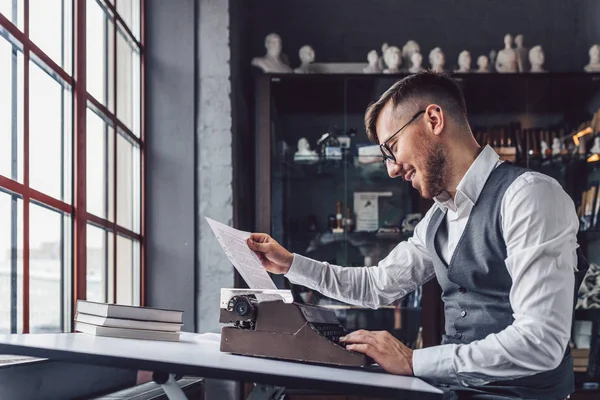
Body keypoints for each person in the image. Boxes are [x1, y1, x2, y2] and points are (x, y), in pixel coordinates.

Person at [247, 71, 586, 400]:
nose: (392, 168)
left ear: (434, 120)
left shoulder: (529, 196)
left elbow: (542, 342)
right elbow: (377, 285)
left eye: (392, 146)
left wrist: (414, 361)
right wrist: (291, 264)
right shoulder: (438, 218)